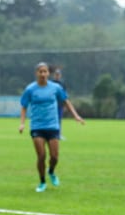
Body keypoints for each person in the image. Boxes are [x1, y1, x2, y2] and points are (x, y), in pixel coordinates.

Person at [19, 62, 84, 193]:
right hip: (37, 126)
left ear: (49, 73)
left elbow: (66, 101)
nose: (43, 74)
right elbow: (24, 106)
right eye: (40, 72)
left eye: (45, 72)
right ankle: (42, 182)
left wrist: (76, 116)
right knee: (41, 156)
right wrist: (22, 123)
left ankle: (51, 171)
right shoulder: (30, 89)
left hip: (53, 125)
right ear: (36, 73)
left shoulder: (56, 88)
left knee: (54, 157)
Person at [51, 68, 67, 139]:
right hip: (52, 105)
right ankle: (51, 134)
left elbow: (65, 96)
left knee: (59, 120)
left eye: (58, 74)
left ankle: (59, 134)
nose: (57, 76)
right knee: (51, 120)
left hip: (60, 105)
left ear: (60, 75)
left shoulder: (62, 84)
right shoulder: (51, 83)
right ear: (54, 75)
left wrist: (64, 105)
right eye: (56, 74)